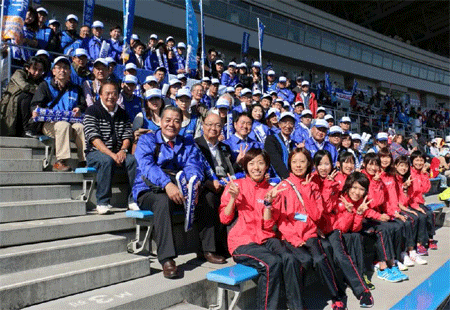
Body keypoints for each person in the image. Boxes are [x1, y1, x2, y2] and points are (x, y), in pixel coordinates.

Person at [134, 106, 220, 278]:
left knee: (208, 195)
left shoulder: (187, 142)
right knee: (163, 201)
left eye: (176, 121)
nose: (171, 124)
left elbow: (193, 164)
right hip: (149, 188)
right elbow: (147, 166)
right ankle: (167, 258)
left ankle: (207, 249)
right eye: (168, 120)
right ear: (160, 121)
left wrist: (192, 181)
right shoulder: (147, 140)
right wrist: (167, 184)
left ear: (182, 123)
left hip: (180, 185)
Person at [220, 148, 296, 310]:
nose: (256, 167)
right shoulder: (236, 186)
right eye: (251, 163)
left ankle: (295, 304)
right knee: (272, 263)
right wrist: (233, 198)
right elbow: (224, 219)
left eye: (260, 163)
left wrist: (268, 204)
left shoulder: (271, 190)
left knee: (290, 257)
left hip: (265, 239)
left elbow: (269, 226)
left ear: (267, 166)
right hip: (242, 242)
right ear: (246, 166)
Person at [274, 147, 348, 310]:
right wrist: (294, 238)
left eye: (302, 161)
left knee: (321, 260)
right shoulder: (284, 186)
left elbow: (315, 215)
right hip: (290, 235)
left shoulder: (313, 186)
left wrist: (307, 192)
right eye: (294, 162)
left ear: (308, 164)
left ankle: (335, 296)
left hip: (309, 233)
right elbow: (281, 219)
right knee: (303, 261)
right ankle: (297, 302)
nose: (298, 165)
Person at [83, 81, 137, 214]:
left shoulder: (122, 113)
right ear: (100, 95)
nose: (110, 97)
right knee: (106, 160)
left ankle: (133, 199)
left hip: (118, 151)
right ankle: (102, 202)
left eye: (114, 93)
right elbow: (94, 139)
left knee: (133, 161)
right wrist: (112, 155)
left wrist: (123, 150)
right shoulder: (92, 111)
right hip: (95, 153)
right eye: (107, 93)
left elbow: (127, 135)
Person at [326, 172, 375, 307]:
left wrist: (358, 213)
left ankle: (360, 291)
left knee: (345, 249)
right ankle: (358, 291)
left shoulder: (358, 202)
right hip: (327, 230)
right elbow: (339, 227)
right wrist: (348, 211)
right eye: (354, 187)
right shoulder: (340, 198)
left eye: (361, 189)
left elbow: (351, 229)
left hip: (336, 232)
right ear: (348, 186)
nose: (357, 192)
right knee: (339, 256)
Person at [30, 56, 86, 171]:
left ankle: (83, 161)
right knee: (62, 125)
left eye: (65, 68)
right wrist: (35, 112)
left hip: (71, 123)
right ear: (53, 71)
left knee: (80, 127)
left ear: (70, 71)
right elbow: (35, 105)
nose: (62, 70)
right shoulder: (45, 86)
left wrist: (79, 109)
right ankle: (60, 161)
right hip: (50, 125)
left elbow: (83, 105)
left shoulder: (76, 88)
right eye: (59, 67)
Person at [195, 113, 236, 260]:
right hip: (205, 185)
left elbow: (232, 170)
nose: (214, 128)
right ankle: (207, 249)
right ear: (203, 126)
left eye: (218, 125)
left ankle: (229, 245)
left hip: (224, 184)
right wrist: (208, 182)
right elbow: (191, 168)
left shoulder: (224, 147)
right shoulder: (196, 145)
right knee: (209, 198)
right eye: (210, 124)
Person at [394, 155, 428, 265]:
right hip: (395, 208)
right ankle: (408, 251)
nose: (403, 168)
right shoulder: (394, 179)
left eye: (405, 166)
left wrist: (405, 188)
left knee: (419, 216)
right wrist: (409, 210)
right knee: (409, 221)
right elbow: (396, 201)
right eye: (401, 166)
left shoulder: (405, 179)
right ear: (395, 166)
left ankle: (415, 248)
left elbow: (406, 198)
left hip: (405, 205)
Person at [0, 56, 45, 137]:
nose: (37, 72)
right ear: (27, 68)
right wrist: (40, 91)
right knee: (26, 96)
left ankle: (33, 128)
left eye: (40, 70)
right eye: (35, 69)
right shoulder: (19, 73)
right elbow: (25, 86)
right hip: (11, 105)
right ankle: (26, 129)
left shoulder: (40, 80)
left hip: (24, 107)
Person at [409, 150, 436, 252]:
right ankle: (419, 243)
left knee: (430, 214)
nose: (419, 162)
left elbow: (426, 189)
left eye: (421, 160)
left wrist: (425, 176)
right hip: (410, 203)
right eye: (416, 160)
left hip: (419, 202)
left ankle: (430, 238)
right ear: (412, 161)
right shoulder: (409, 172)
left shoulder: (422, 173)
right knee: (422, 216)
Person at [264, 112, 298, 179]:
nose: (287, 126)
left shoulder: (294, 143)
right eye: (285, 123)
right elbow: (276, 161)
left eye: (290, 123)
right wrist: (287, 178)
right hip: (276, 178)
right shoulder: (271, 139)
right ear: (279, 124)